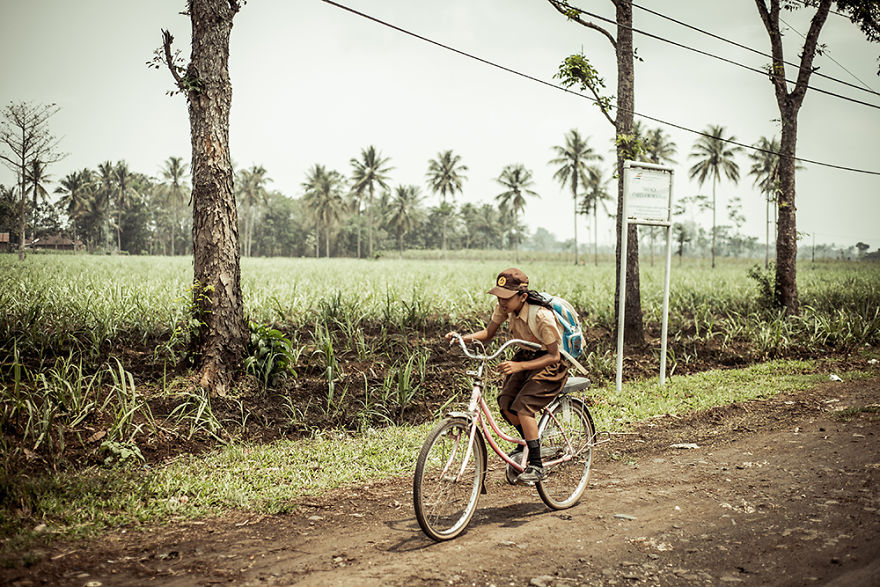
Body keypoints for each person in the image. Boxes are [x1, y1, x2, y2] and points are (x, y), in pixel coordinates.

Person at [445, 268, 569, 485]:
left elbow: (553, 355)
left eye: (506, 297)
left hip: (549, 364)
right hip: (525, 357)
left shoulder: (541, 316)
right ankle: (529, 443)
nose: (501, 302)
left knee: (523, 407)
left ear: (522, 297)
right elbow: (488, 333)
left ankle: (536, 465)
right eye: (499, 296)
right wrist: (462, 338)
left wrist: (519, 366)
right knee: (505, 404)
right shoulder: (504, 308)